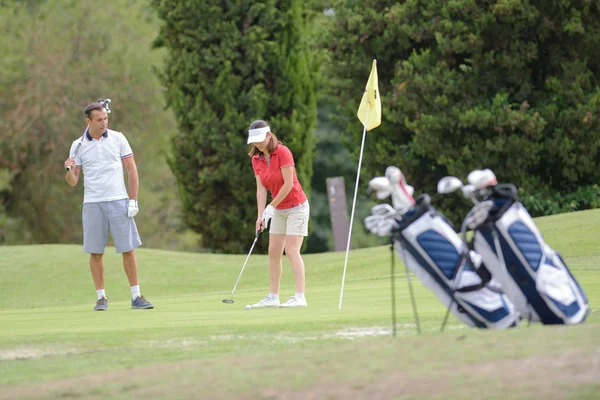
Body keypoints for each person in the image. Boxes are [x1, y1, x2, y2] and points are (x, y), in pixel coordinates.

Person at [64, 100, 153, 311]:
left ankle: (136, 296)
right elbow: (73, 182)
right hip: (93, 203)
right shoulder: (77, 145)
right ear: (88, 121)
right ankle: (101, 298)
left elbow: (131, 170)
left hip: (119, 200)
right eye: (99, 120)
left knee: (128, 249)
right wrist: (69, 170)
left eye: (105, 118)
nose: (104, 123)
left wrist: (133, 200)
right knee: (96, 252)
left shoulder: (118, 138)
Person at [247, 120, 310, 308]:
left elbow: (288, 184)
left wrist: (271, 207)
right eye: (254, 141)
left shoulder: (282, 152)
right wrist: (261, 215)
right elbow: (261, 189)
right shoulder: (255, 159)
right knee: (273, 252)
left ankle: (300, 297)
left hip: (296, 206)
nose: (257, 144)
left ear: (269, 135)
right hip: (279, 209)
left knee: (291, 250)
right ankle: (273, 297)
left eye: (260, 139)